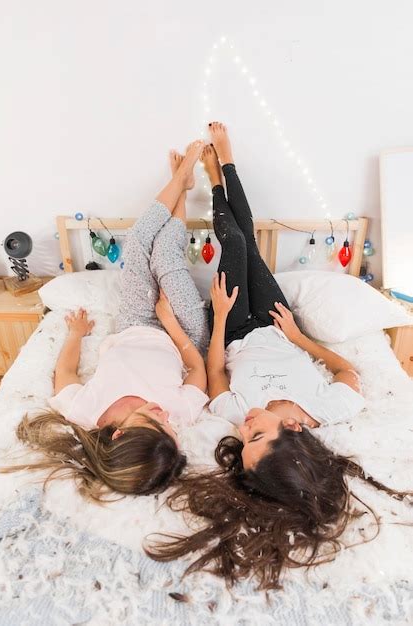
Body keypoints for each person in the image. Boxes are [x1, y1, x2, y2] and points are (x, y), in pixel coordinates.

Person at [145, 124, 411, 589]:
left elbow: (213, 371)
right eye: (257, 434)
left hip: (231, 328)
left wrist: (223, 317)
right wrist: (297, 335)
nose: (245, 426)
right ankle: (222, 165)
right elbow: (346, 369)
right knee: (244, 236)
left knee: (237, 244)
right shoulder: (330, 410)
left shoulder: (233, 415)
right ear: (292, 429)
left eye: (244, 441)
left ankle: (216, 175)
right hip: (274, 322)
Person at [2, 141, 210, 501]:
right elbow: (196, 368)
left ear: (117, 434)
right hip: (184, 333)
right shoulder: (179, 414)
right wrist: (172, 326)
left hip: (132, 322)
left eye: (154, 421)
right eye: (168, 428)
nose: (164, 415)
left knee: (137, 247)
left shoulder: (84, 412)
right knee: (166, 255)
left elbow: (65, 375)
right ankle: (183, 185)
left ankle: (182, 177)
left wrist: (76, 335)